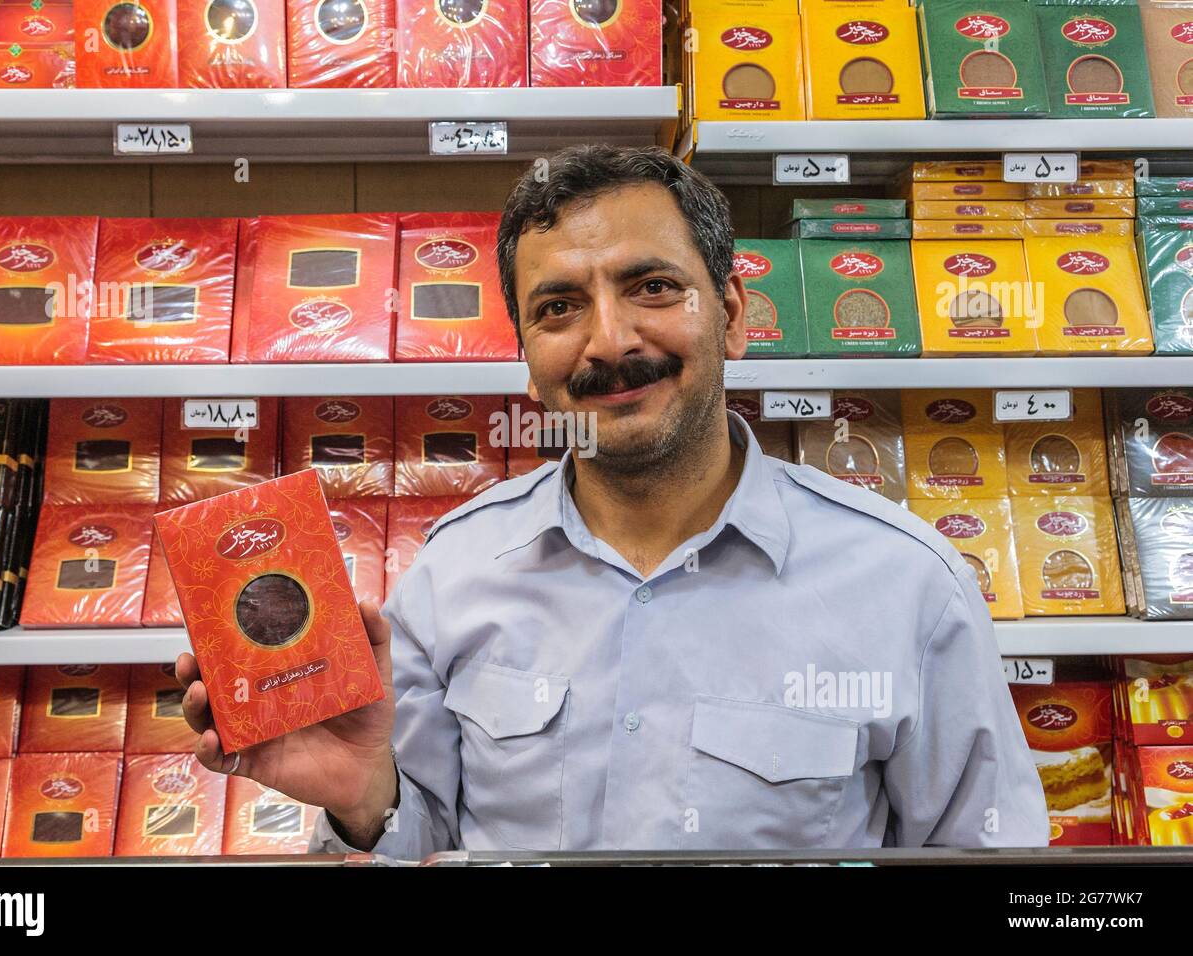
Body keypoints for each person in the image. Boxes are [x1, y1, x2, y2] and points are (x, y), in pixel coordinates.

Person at [178, 144, 1048, 856]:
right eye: (559, 307)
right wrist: (362, 809)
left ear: (735, 313)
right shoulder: (456, 571)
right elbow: (413, 835)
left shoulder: (906, 583)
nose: (611, 340)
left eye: (653, 288)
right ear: (527, 359)